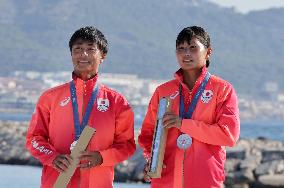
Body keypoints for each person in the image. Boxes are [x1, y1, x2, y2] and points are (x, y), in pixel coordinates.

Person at [26, 26, 136, 188]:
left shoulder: (117, 101)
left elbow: (127, 144)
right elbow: (34, 138)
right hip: (56, 182)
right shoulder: (50, 97)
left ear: (102, 55)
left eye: (90, 49)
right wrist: (53, 157)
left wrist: (101, 157)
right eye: (78, 49)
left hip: (98, 183)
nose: (83, 54)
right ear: (71, 54)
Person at [138, 26, 240, 188]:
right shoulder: (163, 91)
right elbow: (147, 135)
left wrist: (182, 124)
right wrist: (152, 159)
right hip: (165, 180)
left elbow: (228, 135)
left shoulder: (222, 89)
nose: (186, 54)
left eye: (193, 48)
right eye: (181, 49)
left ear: (208, 52)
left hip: (206, 180)